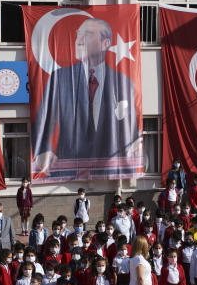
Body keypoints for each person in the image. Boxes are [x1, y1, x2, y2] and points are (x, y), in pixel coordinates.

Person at [31, 17, 139, 176]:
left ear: (105, 43)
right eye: (78, 34)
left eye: (87, 34)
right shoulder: (60, 78)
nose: (78, 40)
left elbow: (131, 127)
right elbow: (42, 120)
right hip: (68, 168)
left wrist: (136, 145)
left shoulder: (122, 82)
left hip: (108, 169)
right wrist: (42, 151)